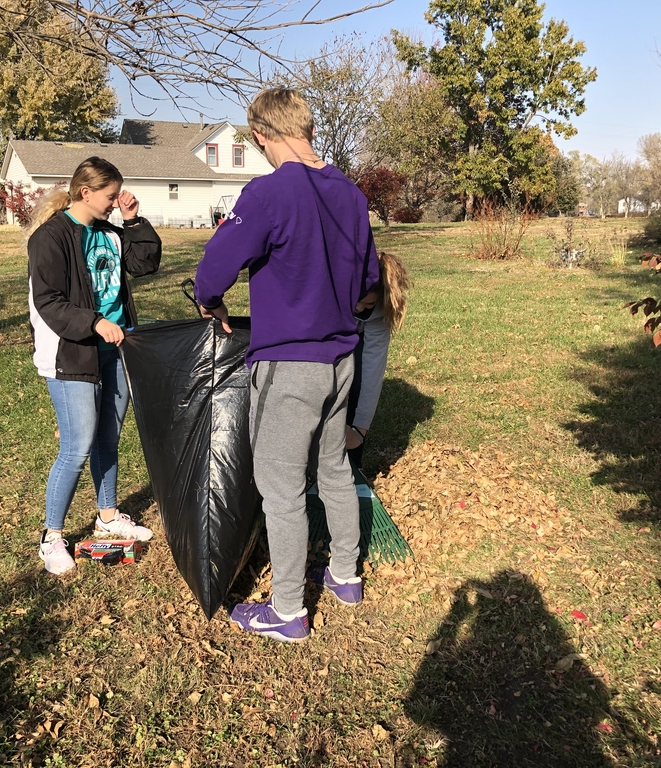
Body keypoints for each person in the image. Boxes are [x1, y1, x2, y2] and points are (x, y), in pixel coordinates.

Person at [194, 88, 379, 643]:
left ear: (261, 136)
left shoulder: (268, 192)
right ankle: (346, 577)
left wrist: (211, 298)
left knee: (280, 488)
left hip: (288, 362)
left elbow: (214, 267)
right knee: (333, 470)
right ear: (309, 129)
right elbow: (369, 282)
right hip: (341, 359)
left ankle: (288, 611)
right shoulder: (349, 193)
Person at [27, 156, 163, 575]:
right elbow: (48, 302)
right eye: (109, 197)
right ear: (85, 192)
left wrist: (135, 221)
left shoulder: (110, 232)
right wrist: (94, 322)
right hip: (71, 355)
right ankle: (51, 537)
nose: (113, 203)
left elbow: (144, 265)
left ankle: (107, 515)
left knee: (108, 437)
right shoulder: (50, 238)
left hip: (116, 351)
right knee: (77, 447)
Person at [345, 251, 411, 469]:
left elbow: (372, 369)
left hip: (361, 337)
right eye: (357, 301)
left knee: (356, 380)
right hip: (330, 329)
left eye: (368, 304)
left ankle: (353, 464)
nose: (359, 309)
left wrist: (359, 431)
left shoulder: (380, 312)